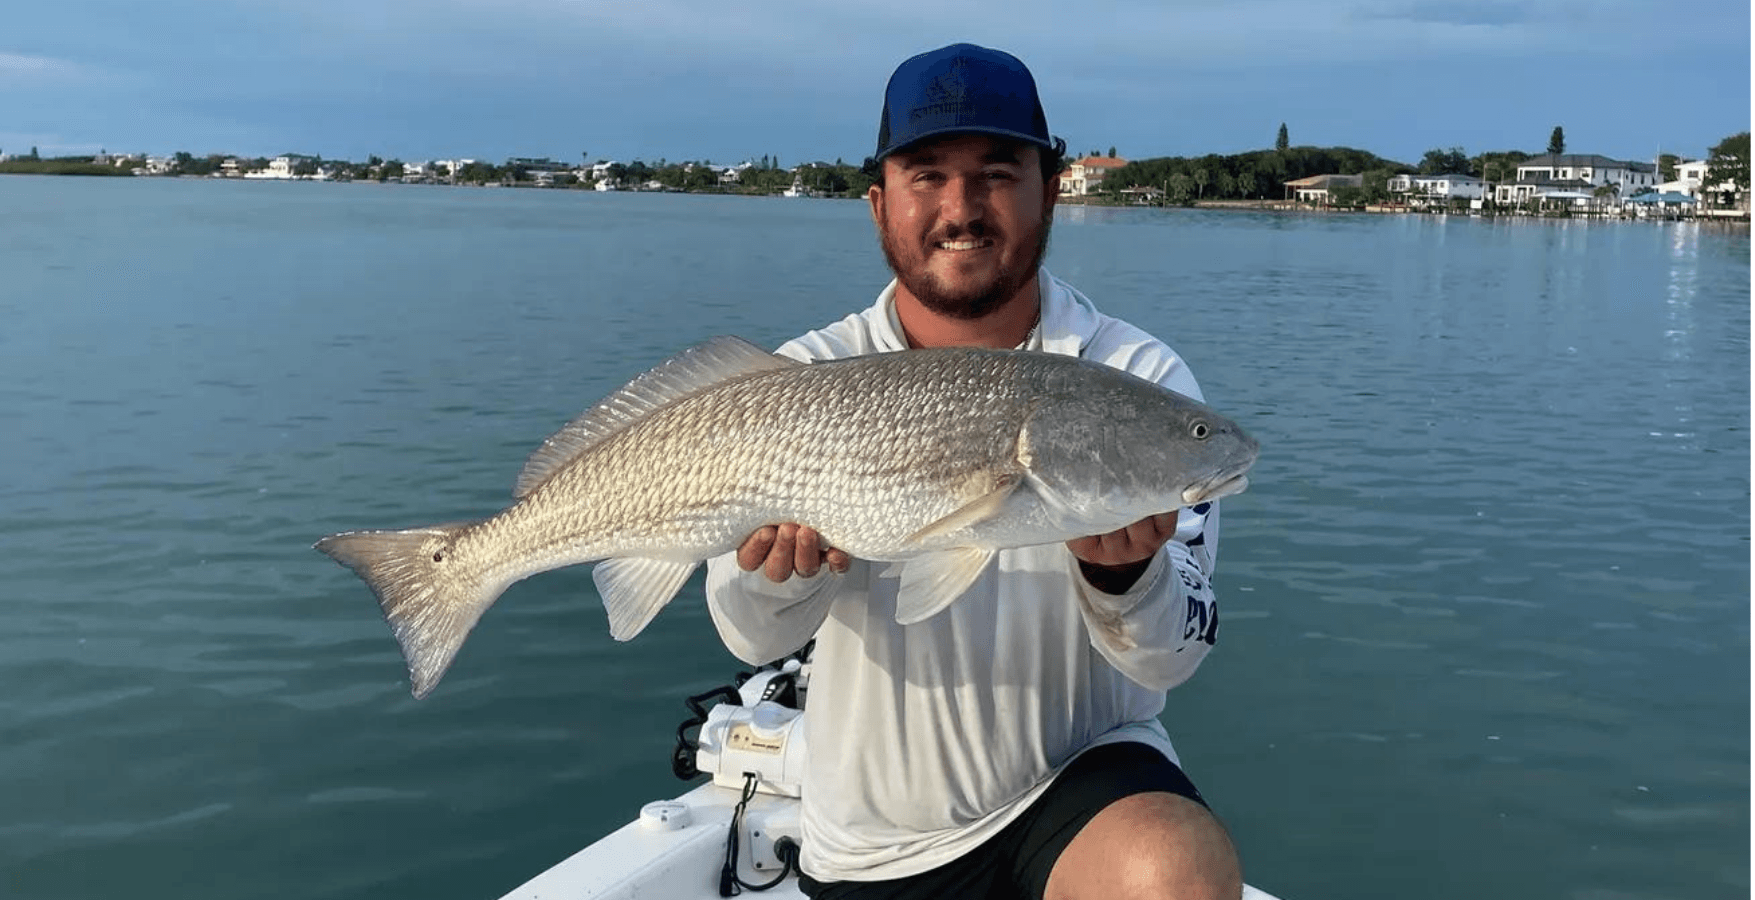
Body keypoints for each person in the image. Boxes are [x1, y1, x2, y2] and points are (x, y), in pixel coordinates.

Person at [703, 43, 1242, 900]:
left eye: (996, 172)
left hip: (1084, 785)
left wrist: (1127, 575)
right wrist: (777, 577)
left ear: (1050, 189)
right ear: (878, 203)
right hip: (874, 837)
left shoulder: (1136, 379)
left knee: (1169, 870)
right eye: (926, 176)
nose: (961, 208)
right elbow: (748, 637)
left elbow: (1174, 656)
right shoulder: (794, 382)